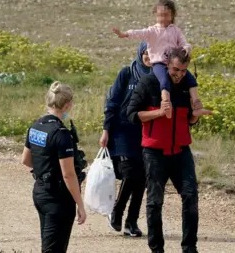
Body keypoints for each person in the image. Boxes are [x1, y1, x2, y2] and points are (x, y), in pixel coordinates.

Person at [127, 48, 208, 253]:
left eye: (183, 70)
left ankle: (189, 248)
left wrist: (196, 115)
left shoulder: (187, 86)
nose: (179, 74)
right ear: (166, 65)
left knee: (191, 196)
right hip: (154, 153)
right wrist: (159, 114)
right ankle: (157, 249)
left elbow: (190, 120)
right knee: (155, 201)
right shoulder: (149, 83)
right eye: (175, 69)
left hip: (181, 151)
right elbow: (131, 114)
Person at [112, 0, 211, 120]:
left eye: (166, 15)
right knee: (164, 81)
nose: (163, 18)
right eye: (160, 15)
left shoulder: (175, 30)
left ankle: (197, 106)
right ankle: (166, 106)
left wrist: (186, 48)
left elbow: (184, 42)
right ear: (155, 15)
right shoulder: (152, 31)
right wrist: (124, 34)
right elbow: (138, 33)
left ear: (172, 15)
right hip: (159, 63)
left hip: (173, 63)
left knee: (191, 80)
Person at [21, 81, 87, 252]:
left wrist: (45, 169)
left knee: (48, 245)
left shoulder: (35, 126)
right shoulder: (61, 133)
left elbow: (26, 160)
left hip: (40, 192)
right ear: (67, 105)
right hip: (58, 199)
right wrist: (80, 204)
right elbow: (69, 175)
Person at [99, 41, 152, 237]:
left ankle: (131, 222)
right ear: (140, 53)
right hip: (122, 131)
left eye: (152, 53)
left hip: (144, 132)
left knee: (142, 179)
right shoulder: (127, 72)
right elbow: (112, 101)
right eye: (145, 52)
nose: (148, 56)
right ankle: (117, 211)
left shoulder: (159, 75)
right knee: (130, 174)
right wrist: (106, 129)